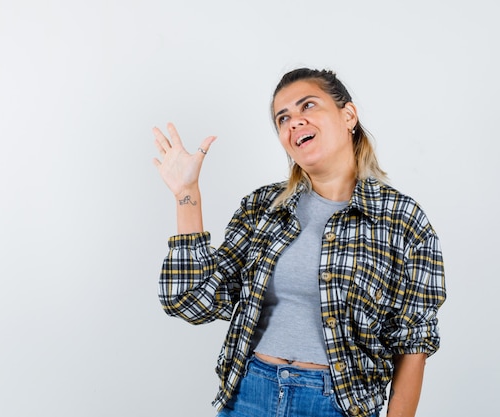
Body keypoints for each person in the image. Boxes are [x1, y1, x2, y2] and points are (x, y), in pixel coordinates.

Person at [152, 68, 446, 417]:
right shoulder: (262, 207)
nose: (294, 122)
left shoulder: (402, 219)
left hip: (334, 405)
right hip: (250, 395)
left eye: (308, 106)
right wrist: (188, 195)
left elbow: (413, 343)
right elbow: (191, 301)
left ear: (348, 115)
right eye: (283, 117)